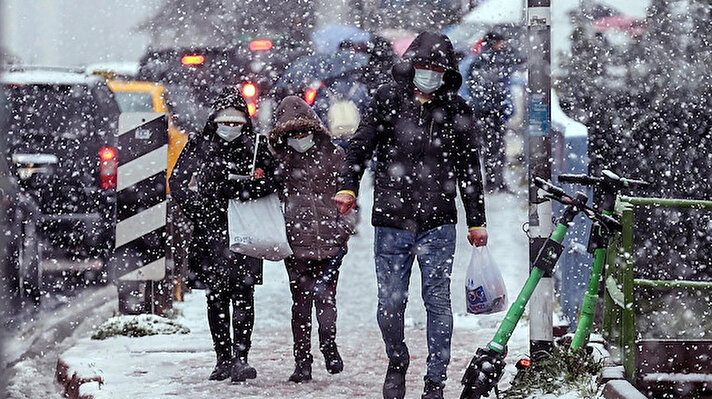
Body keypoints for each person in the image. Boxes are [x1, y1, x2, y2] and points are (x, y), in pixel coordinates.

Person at [334, 32, 489, 399]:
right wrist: (348, 186)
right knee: (390, 301)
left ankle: (436, 379)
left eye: (438, 68)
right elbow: (361, 144)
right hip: (391, 220)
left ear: (447, 72)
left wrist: (477, 220)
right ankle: (396, 360)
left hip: (438, 222)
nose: (430, 74)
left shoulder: (457, 111)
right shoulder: (387, 100)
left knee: (437, 299)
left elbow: (470, 169)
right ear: (412, 65)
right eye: (425, 66)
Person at [170, 87, 278, 383]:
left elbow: (275, 179)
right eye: (224, 122)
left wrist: (243, 189)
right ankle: (222, 358)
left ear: (246, 123)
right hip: (209, 231)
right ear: (213, 121)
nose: (230, 128)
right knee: (216, 296)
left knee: (243, 294)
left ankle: (241, 358)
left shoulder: (256, 146)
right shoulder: (200, 145)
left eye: (236, 123)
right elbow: (177, 181)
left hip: (246, 229)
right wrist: (198, 207)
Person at [268, 96, 356, 383]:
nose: (299, 138)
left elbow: (350, 194)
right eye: (292, 134)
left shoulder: (334, 154)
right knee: (301, 303)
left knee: (326, 298)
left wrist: (343, 228)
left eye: (303, 132)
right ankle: (302, 360)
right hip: (296, 243)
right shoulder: (279, 161)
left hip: (330, 240)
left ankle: (328, 345)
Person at [467, 30, 524, 193]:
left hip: (483, 112)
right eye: (500, 42)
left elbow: (473, 86)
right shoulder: (495, 60)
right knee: (496, 148)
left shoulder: (478, 61)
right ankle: (497, 182)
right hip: (493, 112)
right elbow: (518, 61)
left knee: (488, 148)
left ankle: (492, 182)